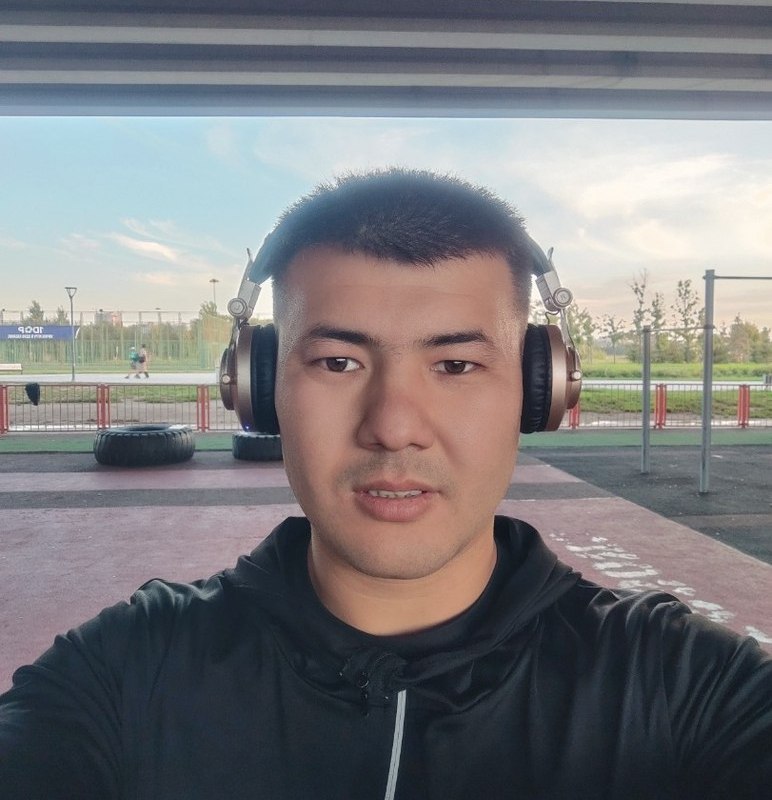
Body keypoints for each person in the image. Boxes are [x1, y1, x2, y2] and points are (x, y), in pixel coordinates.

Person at [1, 169, 770, 799]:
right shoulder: (124, 675)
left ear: (541, 391)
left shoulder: (689, 689)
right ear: (258, 388)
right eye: (338, 362)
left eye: (456, 365)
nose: (394, 426)